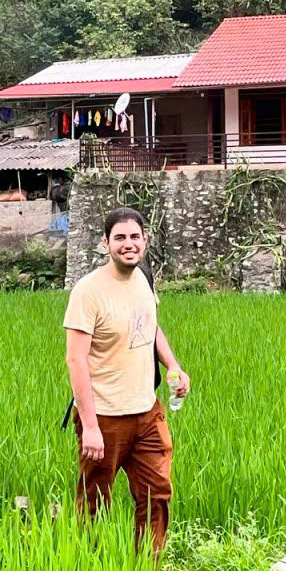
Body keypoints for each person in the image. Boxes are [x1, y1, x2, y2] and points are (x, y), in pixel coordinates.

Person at [63, 206, 190, 552]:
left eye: (135, 236)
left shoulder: (144, 278)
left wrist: (173, 366)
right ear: (106, 243)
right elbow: (75, 359)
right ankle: (90, 568)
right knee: (95, 502)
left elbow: (151, 326)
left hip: (147, 412)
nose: (128, 244)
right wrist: (90, 426)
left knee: (157, 495)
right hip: (105, 417)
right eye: (119, 238)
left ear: (145, 240)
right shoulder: (88, 291)